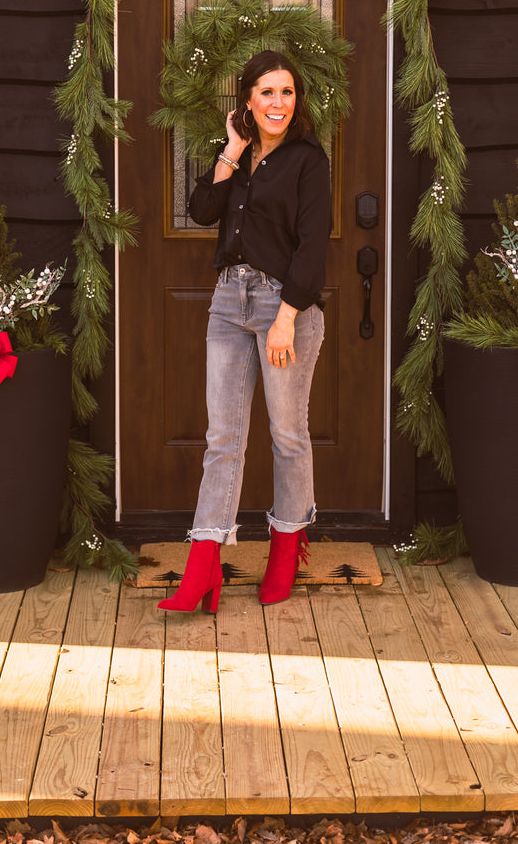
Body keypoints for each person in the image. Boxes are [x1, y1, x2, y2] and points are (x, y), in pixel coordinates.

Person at [158, 49, 331, 614]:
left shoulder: (308, 160)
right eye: (266, 93)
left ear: (295, 100)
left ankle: (285, 552)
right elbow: (203, 209)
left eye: (286, 92)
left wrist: (286, 318)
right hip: (229, 300)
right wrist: (230, 153)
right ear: (248, 102)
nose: (277, 103)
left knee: (287, 434)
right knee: (223, 439)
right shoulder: (240, 154)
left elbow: (312, 246)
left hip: (284, 306)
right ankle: (203, 566)